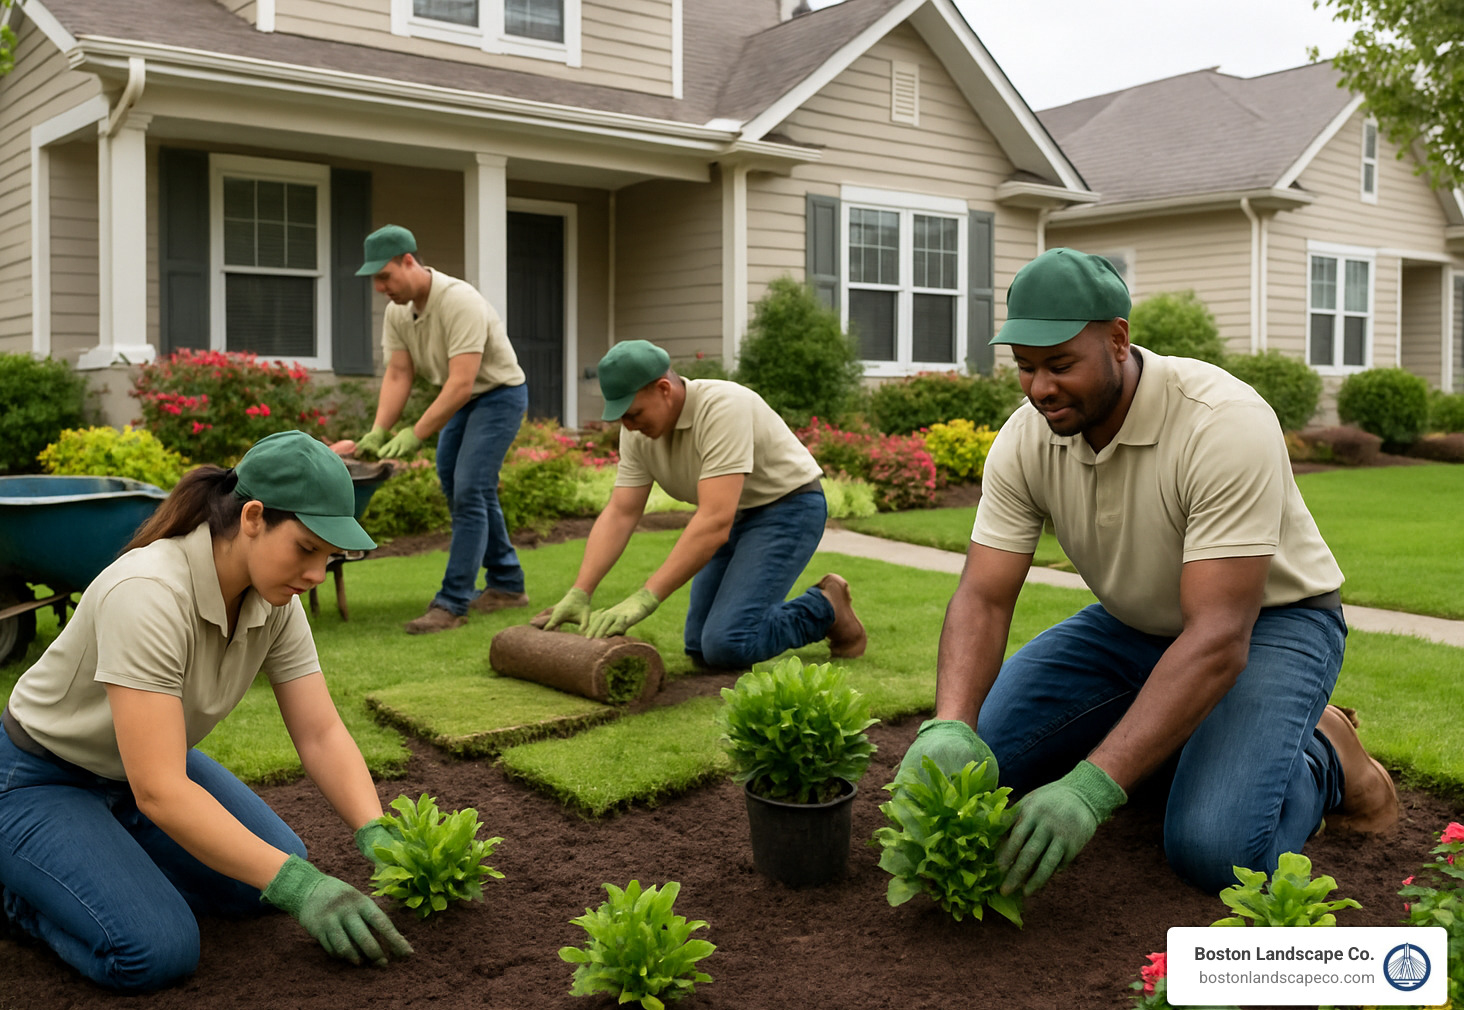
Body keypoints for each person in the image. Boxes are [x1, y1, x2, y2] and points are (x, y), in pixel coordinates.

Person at [894, 248, 1398, 898]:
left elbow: (1217, 634)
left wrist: (1091, 785)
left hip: (1271, 623)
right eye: (1025, 367)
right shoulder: (1026, 438)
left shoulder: (1221, 423)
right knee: (975, 770)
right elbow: (985, 597)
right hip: (1131, 626)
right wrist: (952, 722)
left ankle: (1326, 755)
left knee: (1213, 849)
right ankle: (1193, 738)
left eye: (1060, 365)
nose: (1040, 387)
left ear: (1118, 339)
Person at [0, 431, 412, 991]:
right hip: (39, 781)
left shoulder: (275, 601)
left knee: (274, 865)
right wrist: (303, 888)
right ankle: (6, 895)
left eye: (329, 556)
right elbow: (162, 790)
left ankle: (99, 853)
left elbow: (319, 732)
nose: (317, 573)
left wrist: (374, 829)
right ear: (254, 517)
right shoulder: (147, 592)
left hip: (137, 775)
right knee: (156, 951)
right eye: (307, 548)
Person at [542, 339, 866, 670]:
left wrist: (643, 599)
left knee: (729, 643)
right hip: (738, 513)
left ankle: (826, 607)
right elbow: (621, 512)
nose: (628, 425)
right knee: (699, 646)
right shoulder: (636, 433)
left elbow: (713, 521)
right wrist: (580, 591)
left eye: (633, 413)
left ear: (664, 389)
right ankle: (807, 612)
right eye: (621, 417)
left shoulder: (724, 407)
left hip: (789, 508)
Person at [353, 224, 529, 634]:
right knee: (460, 484)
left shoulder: (459, 301)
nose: (381, 287)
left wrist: (415, 433)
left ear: (409, 261)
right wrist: (380, 429)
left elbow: (461, 383)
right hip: (464, 400)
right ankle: (507, 583)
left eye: (385, 276)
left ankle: (452, 603)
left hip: (499, 395)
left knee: (470, 487)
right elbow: (398, 374)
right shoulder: (398, 312)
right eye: (375, 280)